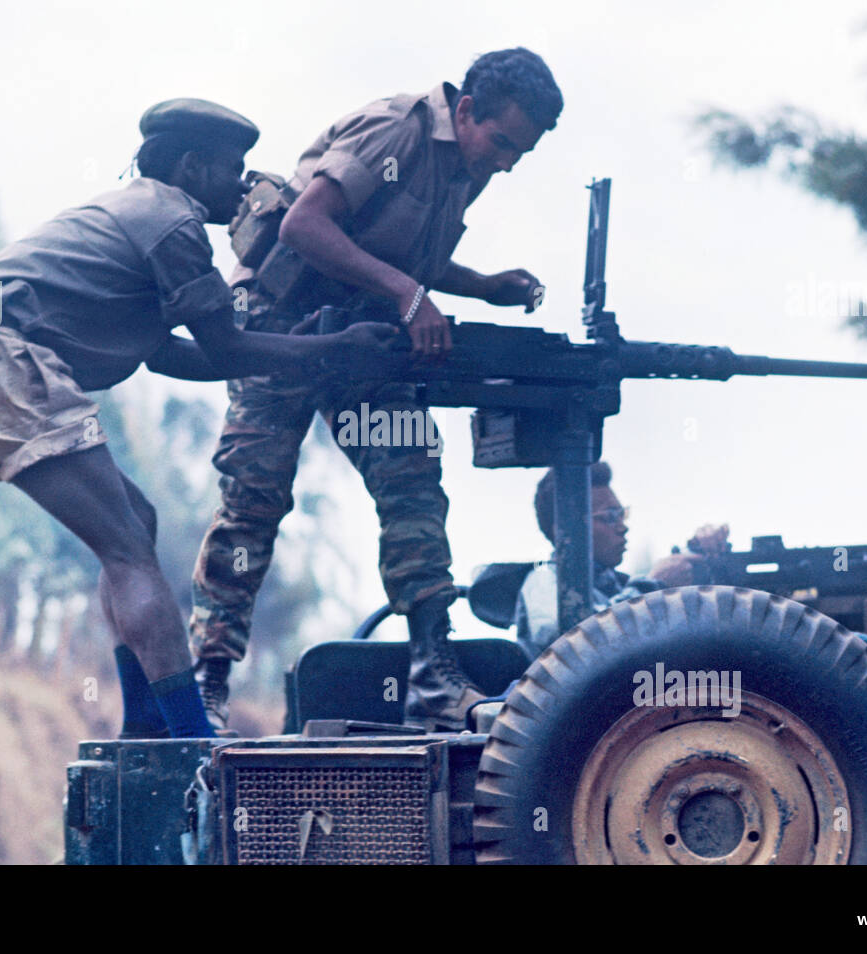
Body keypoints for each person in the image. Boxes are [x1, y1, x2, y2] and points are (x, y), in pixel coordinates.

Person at [0, 99, 394, 739]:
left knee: (133, 525)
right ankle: (191, 742)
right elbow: (229, 349)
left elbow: (176, 357)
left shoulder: (135, 214)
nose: (242, 183)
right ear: (193, 167)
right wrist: (333, 351)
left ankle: (146, 727)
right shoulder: (172, 223)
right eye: (233, 169)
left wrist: (303, 349)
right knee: (127, 549)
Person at [190, 49, 565, 731]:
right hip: (281, 325)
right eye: (503, 142)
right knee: (255, 498)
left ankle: (433, 674)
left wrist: (478, 286)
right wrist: (408, 294)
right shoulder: (396, 130)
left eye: (522, 153)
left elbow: (396, 253)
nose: (506, 163)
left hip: (360, 335)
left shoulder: (466, 166)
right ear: (468, 110)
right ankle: (207, 683)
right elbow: (307, 225)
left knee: (413, 478)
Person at [514, 462, 730, 659]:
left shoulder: (615, 585)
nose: (623, 527)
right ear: (567, 529)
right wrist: (652, 588)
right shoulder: (543, 580)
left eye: (621, 514)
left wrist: (697, 553)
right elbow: (571, 644)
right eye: (609, 516)